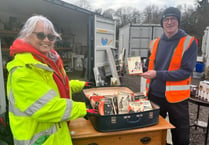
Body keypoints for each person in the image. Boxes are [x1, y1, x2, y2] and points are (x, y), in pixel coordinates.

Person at [6, 15, 95, 145]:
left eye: (51, 37)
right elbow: (46, 106)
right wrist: (84, 108)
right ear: (27, 35)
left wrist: (83, 85)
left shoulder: (47, 60)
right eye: (41, 35)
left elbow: (57, 88)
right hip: (39, 139)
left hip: (56, 133)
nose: (46, 40)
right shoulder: (24, 69)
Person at [140, 7, 198, 145]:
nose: (169, 22)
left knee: (180, 136)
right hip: (154, 95)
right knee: (152, 134)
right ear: (162, 23)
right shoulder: (154, 43)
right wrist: (138, 69)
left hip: (177, 99)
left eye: (173, 19)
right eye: (166, 19)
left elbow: (185, 72)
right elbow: (150, 66)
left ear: (178, 22)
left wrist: (157, 74)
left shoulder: (189, 42)